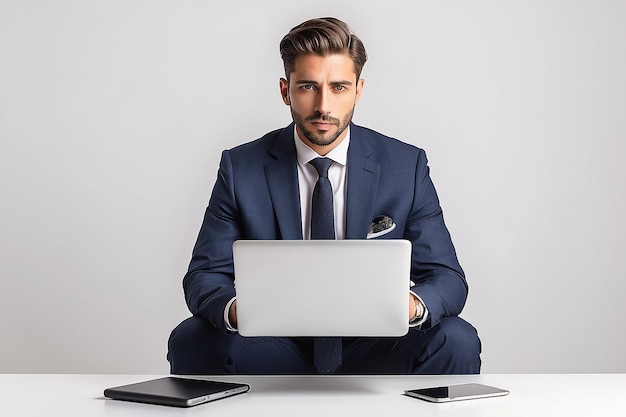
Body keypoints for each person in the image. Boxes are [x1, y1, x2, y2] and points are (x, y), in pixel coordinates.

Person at [167, 17, 481, 374]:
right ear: (286, 90)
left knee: (456, 338)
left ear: (358, 90)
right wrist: (240, 310)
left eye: (339, 87)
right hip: (272, 345)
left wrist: (410, 306)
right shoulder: (242, 168)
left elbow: (447, 277)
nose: (323, 107)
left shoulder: (405, 166)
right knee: (191, 338)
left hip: (376, 345)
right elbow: (205, 275)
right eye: (308, 87)